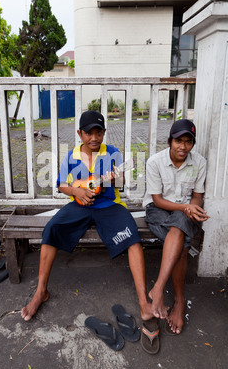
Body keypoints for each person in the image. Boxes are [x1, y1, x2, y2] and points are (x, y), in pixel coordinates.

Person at [21, 110, 155, 326]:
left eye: (99, 132)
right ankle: (41, 291)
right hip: (79, 205)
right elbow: (62, 184)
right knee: (52, 229)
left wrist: (115, 177)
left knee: (132, 235)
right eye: (89, 133)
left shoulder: (113, 153)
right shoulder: (71, 155)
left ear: (104, 133)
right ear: (80, 133)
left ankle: (143, 302)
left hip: (109, 205)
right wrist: (77, 192)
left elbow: (120, 185)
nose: (94, 137)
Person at [143, 119, 209, 335]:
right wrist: (186, 208)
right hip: (158, 209)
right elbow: (158, 200)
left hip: (184, 213)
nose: (183, 146)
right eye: (178, 141)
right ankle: (179, 300)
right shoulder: (155, 162)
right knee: (183, 239)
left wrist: (193, 208)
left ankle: (158, 289)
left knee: (180, 227)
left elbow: (197, 197)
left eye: (188, 142)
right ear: (169, 140)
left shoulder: (199, 162)